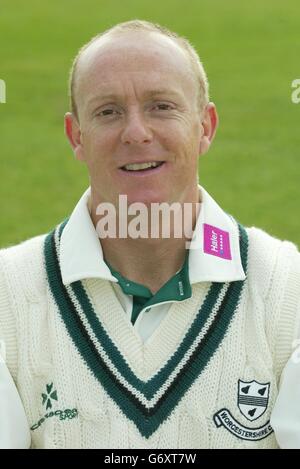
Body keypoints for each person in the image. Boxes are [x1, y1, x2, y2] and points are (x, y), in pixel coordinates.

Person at [0, 19, 299, 450]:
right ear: (76, 136)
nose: (136, 133)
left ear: (205, 126)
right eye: (108, 111)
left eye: (161, 106)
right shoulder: (9, 295)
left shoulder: (288, 289)